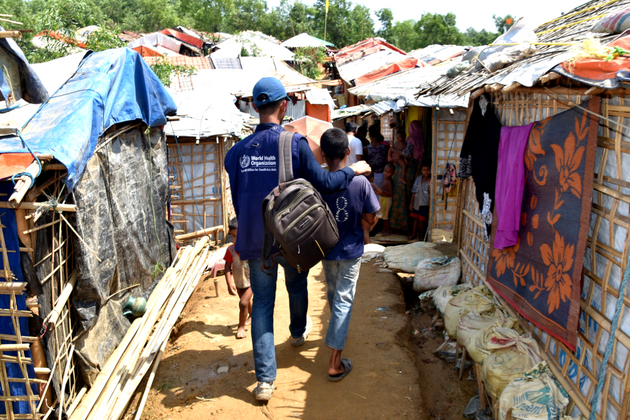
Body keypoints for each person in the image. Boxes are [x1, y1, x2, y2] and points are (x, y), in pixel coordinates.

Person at [224, 77, 371, 402]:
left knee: (263, 304)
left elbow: (238, 192)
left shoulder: (237, 152)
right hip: (290, 239)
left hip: (254, 241)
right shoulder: (294, 144)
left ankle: (265, 382)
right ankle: (297, 333)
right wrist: (353, 170)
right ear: (283, 106)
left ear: (254, 106)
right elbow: (325, 183)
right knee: (296, 286)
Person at [319, 128, 379, 381]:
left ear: (323, 154)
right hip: (351, 250)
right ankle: (335, 362)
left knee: (335, 297)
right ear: (347, 152)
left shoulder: (319, 181)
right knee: (343, 301)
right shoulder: (360, 182)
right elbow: (371, 217)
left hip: (326, 251)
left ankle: (337, 338)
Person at [223, 217, 252, 339]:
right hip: (239, 282)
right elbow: (227, 267)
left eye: (239, 235)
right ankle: (252, 315)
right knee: (246, 303)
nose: (236, 239)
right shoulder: (230, 250)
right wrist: (229, 283)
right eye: (233, 236)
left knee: (243, 303)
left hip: (252, 282)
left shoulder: (251, 249)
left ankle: (241, 327)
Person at [409, 163, 431, 241]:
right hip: (416, 202)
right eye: (424, 170)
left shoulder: (431, 180)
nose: (426, 172)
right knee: (415, 219)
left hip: (424, 203)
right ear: (421, 170)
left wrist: (430, 185)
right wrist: (411, 203)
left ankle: (421, 236)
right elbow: (414, 191)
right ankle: (414, 234)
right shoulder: (418, 179)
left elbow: (431, 192)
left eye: (428, 170)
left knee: (422, 220)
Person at [366, 124, 389, 190]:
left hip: (370, 176)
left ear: (369, 135)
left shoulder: (366, 149)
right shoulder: (386, 148)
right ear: (379, 135)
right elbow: (387, 161)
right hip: (383, 176)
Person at [362, 172, 382, 244]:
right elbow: (380, 191)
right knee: (366, 230)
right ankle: (368, 246)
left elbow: (379, 191)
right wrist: (372, 184)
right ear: (372, 179)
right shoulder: (367, 188)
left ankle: (367, 245)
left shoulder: (363, 187)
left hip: (364, 210)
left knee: (365, 230)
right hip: (366, 210)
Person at [380, 163, 394, 236]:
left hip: (387, 199)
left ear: (392, 174)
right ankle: (384, 229)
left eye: (388, 172)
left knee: (385, 216)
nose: (386, 173)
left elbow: (390, 193)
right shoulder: (385, 179)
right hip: (382, 198)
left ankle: (387, 230)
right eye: (385, 171)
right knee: (382, 215)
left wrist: (381, 191)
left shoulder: (389, 181)